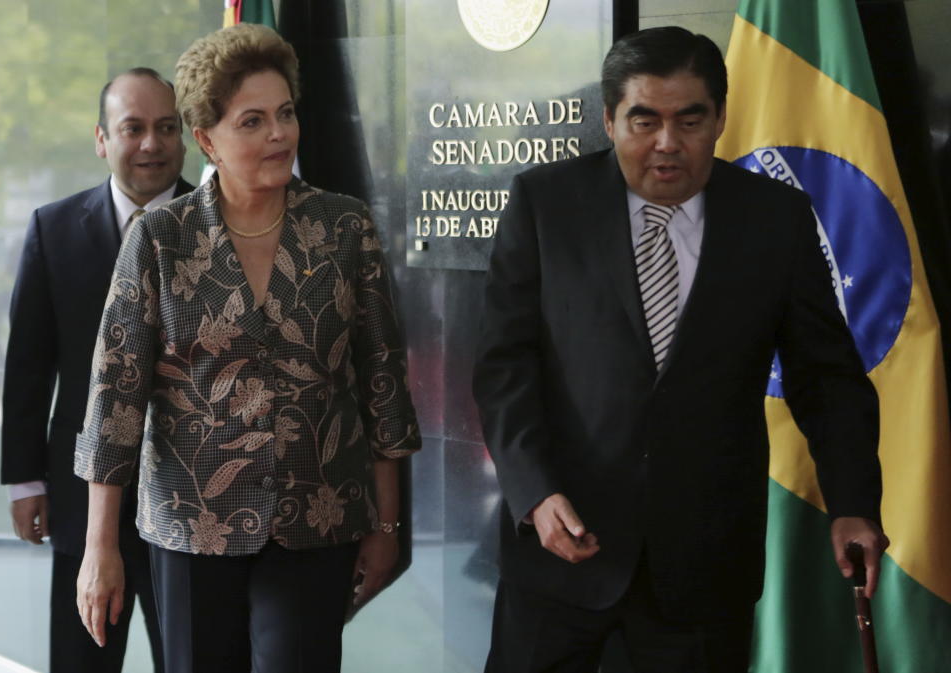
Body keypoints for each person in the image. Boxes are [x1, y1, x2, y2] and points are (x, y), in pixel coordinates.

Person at [473, 26, 889, 673]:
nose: (668, 143)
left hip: (703, 568)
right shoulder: (545, 205)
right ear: (609, 120)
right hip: (560, 552)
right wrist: (533, 490)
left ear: (721, 117)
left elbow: (826, 377)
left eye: (690, 119)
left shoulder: (774, 219)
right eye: (645, 120)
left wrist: (855, 502)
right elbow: (504, 365)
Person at [74, 23, 420, 673]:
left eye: (286, 114)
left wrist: (388, 524)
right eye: (253, 121)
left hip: (317, 520)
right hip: (190, 524)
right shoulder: (159, 238)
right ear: (207, 139)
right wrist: (100, 548)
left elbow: (382, 381)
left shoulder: (344, 227)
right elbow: (113, 401)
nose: (279, 134)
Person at [1, 67, 190, 673]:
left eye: (166, 127)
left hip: (192, 502)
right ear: (102, 139)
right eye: (132, 128)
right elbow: (30, 366)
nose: (151, 144)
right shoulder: (52, 230)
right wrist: (26, 480)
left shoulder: (217, 226)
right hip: (80, 501)